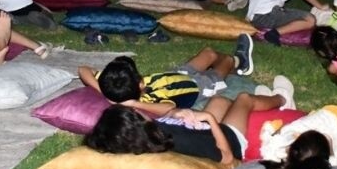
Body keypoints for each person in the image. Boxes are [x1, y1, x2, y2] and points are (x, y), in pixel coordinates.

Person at [85, 88, 293, 165]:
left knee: (220, 100)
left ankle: (260, 104)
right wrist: (209, 119)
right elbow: (228, 157)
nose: (137, 111)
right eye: (133, 113)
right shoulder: (179, 139)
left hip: (202, 129)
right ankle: (282, 98)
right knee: (245, 98)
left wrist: (180, 114)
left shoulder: (150, 132)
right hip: (231, 139)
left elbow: (168, 113)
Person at [78, 36, 256, 116]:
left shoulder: (117, 84)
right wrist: (132, 103)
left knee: (208, 53)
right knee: (224, 61)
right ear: (140, 84)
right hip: (198, 86)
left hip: (177, 74)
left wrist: (105, 92)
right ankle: (238, 62)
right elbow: (167, 110)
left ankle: (233, 66)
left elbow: (83, 69)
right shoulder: (149, 99)